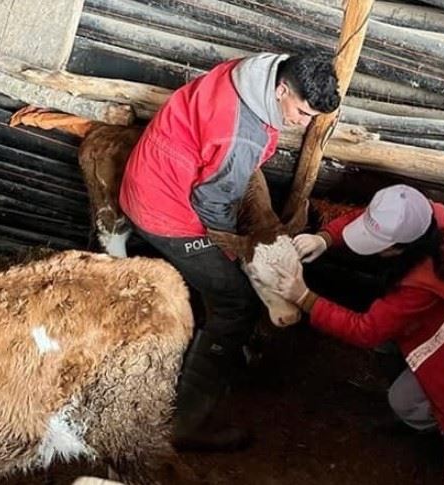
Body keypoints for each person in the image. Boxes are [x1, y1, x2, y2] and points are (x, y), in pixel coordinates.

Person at [118, 52, 341, 451]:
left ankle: (205, 343)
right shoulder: (241, 135)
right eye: (303, 112)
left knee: (222, 277)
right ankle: (185, 420)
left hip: (155, 169)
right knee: (237, 301)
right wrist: (237, 253)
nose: (303, 123)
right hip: (163, 210)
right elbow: (212, 206)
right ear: (281, 90)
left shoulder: (254, 71)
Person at [268, 184, 444, 434]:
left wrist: (305, 299)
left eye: (380, 244)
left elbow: (367, 331)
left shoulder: (422, 283)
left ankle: (443, 428)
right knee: (388, 344)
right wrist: (326, 238)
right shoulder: (426, 214)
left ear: (401, 248)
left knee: (405, 401)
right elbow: (371, 218)